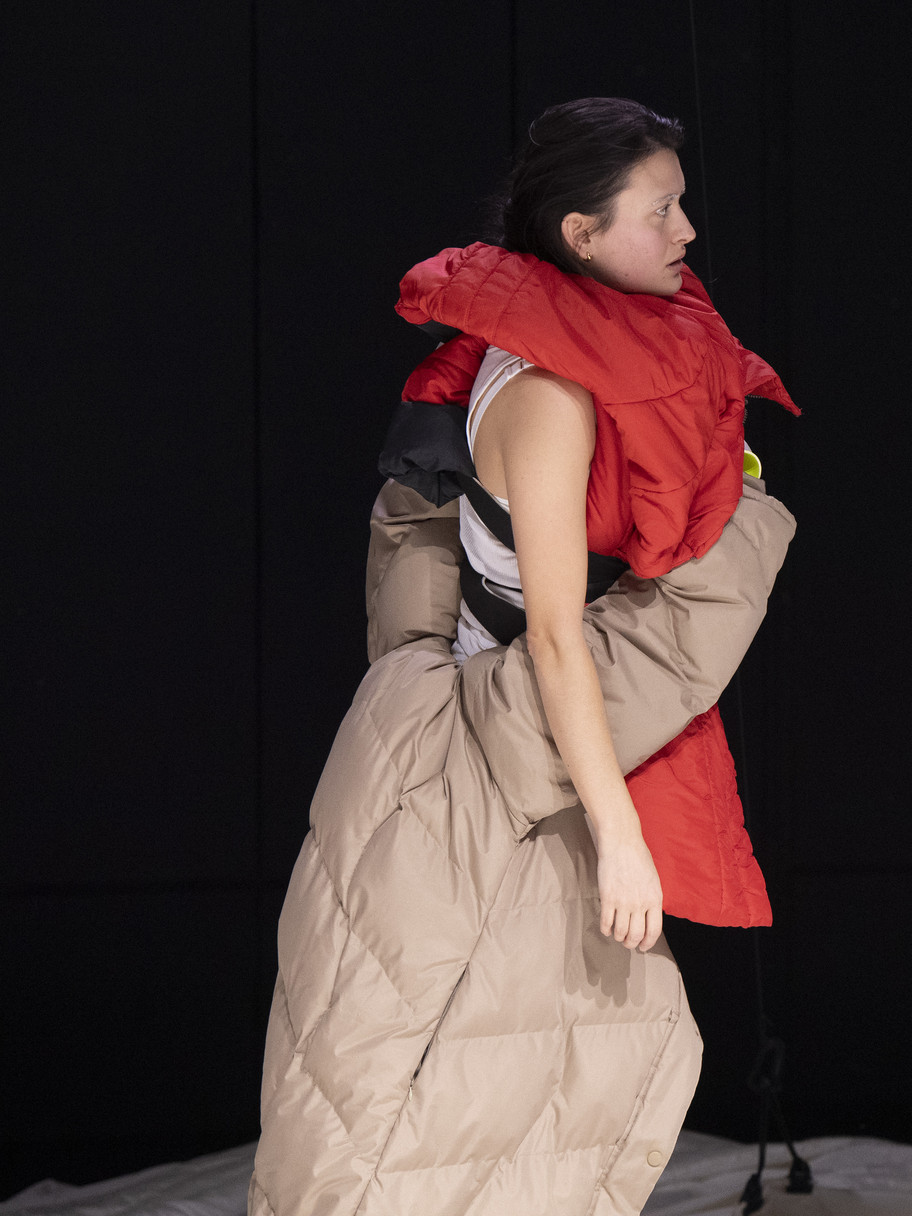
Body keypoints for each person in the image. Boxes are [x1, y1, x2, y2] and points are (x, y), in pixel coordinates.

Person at [252, 97, 799, 1215]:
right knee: (441, 1078)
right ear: (582, 235)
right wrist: (621, 838)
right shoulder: (548, 394)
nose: (688, 230)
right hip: (493, 759)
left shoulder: (574, 357)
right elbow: (554, 638)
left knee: (540, 1069)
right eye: (661, 210)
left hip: (500, 749)